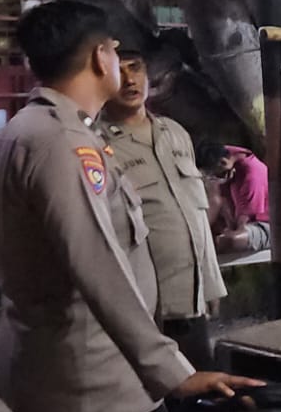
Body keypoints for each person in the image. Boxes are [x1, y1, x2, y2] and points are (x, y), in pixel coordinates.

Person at [0, 1, 261, 412]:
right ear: (98, 58)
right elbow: (98, 267)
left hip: (55, 377)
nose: (123, 66)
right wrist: (174, 373)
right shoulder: (65, 144)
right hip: (96, 388)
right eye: (114, 51)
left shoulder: (24, 130)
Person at [97, 43, 227, 371]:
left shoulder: (175, 133)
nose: (130, 80)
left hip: (191, 305)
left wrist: (210, 283)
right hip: (142, 311)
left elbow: (196, 213)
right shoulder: (97, 145)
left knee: (200, 392)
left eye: (136, 68)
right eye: (120, 71)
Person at [197, 143, 271, 253]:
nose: (216, 177)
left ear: (223, 162)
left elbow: (244, 222)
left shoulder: (253, 175)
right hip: (234, 220)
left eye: (215, 174)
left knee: (229, 240)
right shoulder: (229, 161)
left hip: (261, 225)